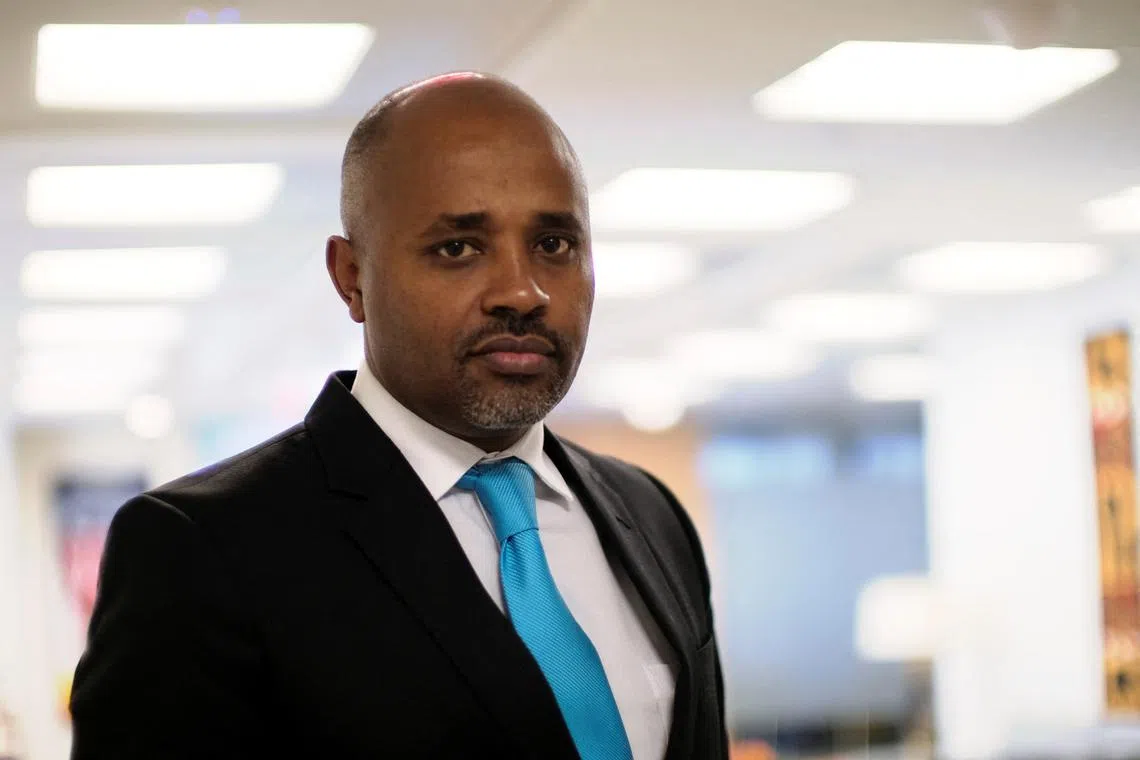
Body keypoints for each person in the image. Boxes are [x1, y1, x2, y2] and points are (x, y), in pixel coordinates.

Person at [69, 72, 728, 760]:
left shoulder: (651, 515)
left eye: (554, 244)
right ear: (351, 275)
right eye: (458, 247)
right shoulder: (200, 552)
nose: (522, 291)